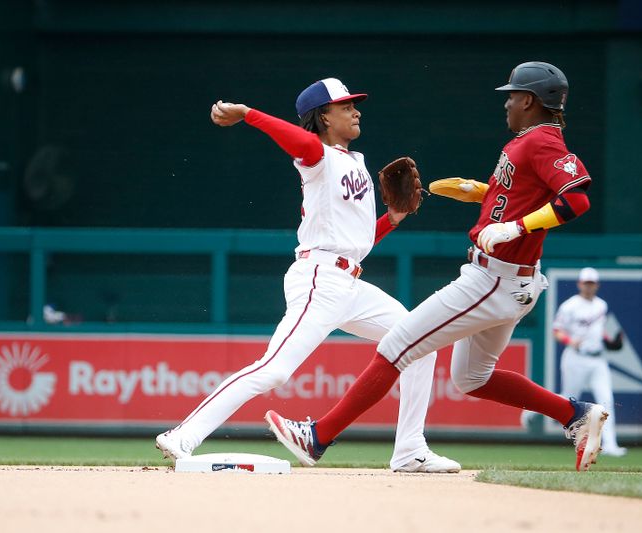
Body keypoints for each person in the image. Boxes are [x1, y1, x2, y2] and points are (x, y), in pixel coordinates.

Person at [266, 61, 610, 472]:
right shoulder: (527, 141)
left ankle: (318, 437)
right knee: (473, 378)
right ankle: (575, 415)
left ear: (531, 101)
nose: (508, 104)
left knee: (396, 346)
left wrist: (515, 226)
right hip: (510, 280)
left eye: (513, 96)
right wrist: (482, 194)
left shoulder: (541, 142)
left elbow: (576, 200)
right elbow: (522, 194)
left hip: (492, 279)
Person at [155, 77, 460, 473]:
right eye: (346, 106)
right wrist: (248, 114)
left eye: (355, 104)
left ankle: (409, 450)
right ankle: (183, 435)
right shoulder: (317, 157)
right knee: (274, 369)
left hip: (349, 281)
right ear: (322, 117)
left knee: (419, 342)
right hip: (320, 278)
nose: (356, 110)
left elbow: (358, 240)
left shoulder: (355, 163)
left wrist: (395, 218)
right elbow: (300, 143)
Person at [550, 266, 627, 456]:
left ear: (597, 285)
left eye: (592, 283)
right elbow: (557, 331)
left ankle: (610, 445)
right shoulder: (570, 305)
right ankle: (533, 410)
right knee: (568, 398)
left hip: (598, 359)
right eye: (586, 283)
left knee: (606, 400)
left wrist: (609, 341)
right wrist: (570, 341)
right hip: (575, 358)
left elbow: (598, 330)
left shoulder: (601, 305)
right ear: (579, 284)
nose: (589, 286)